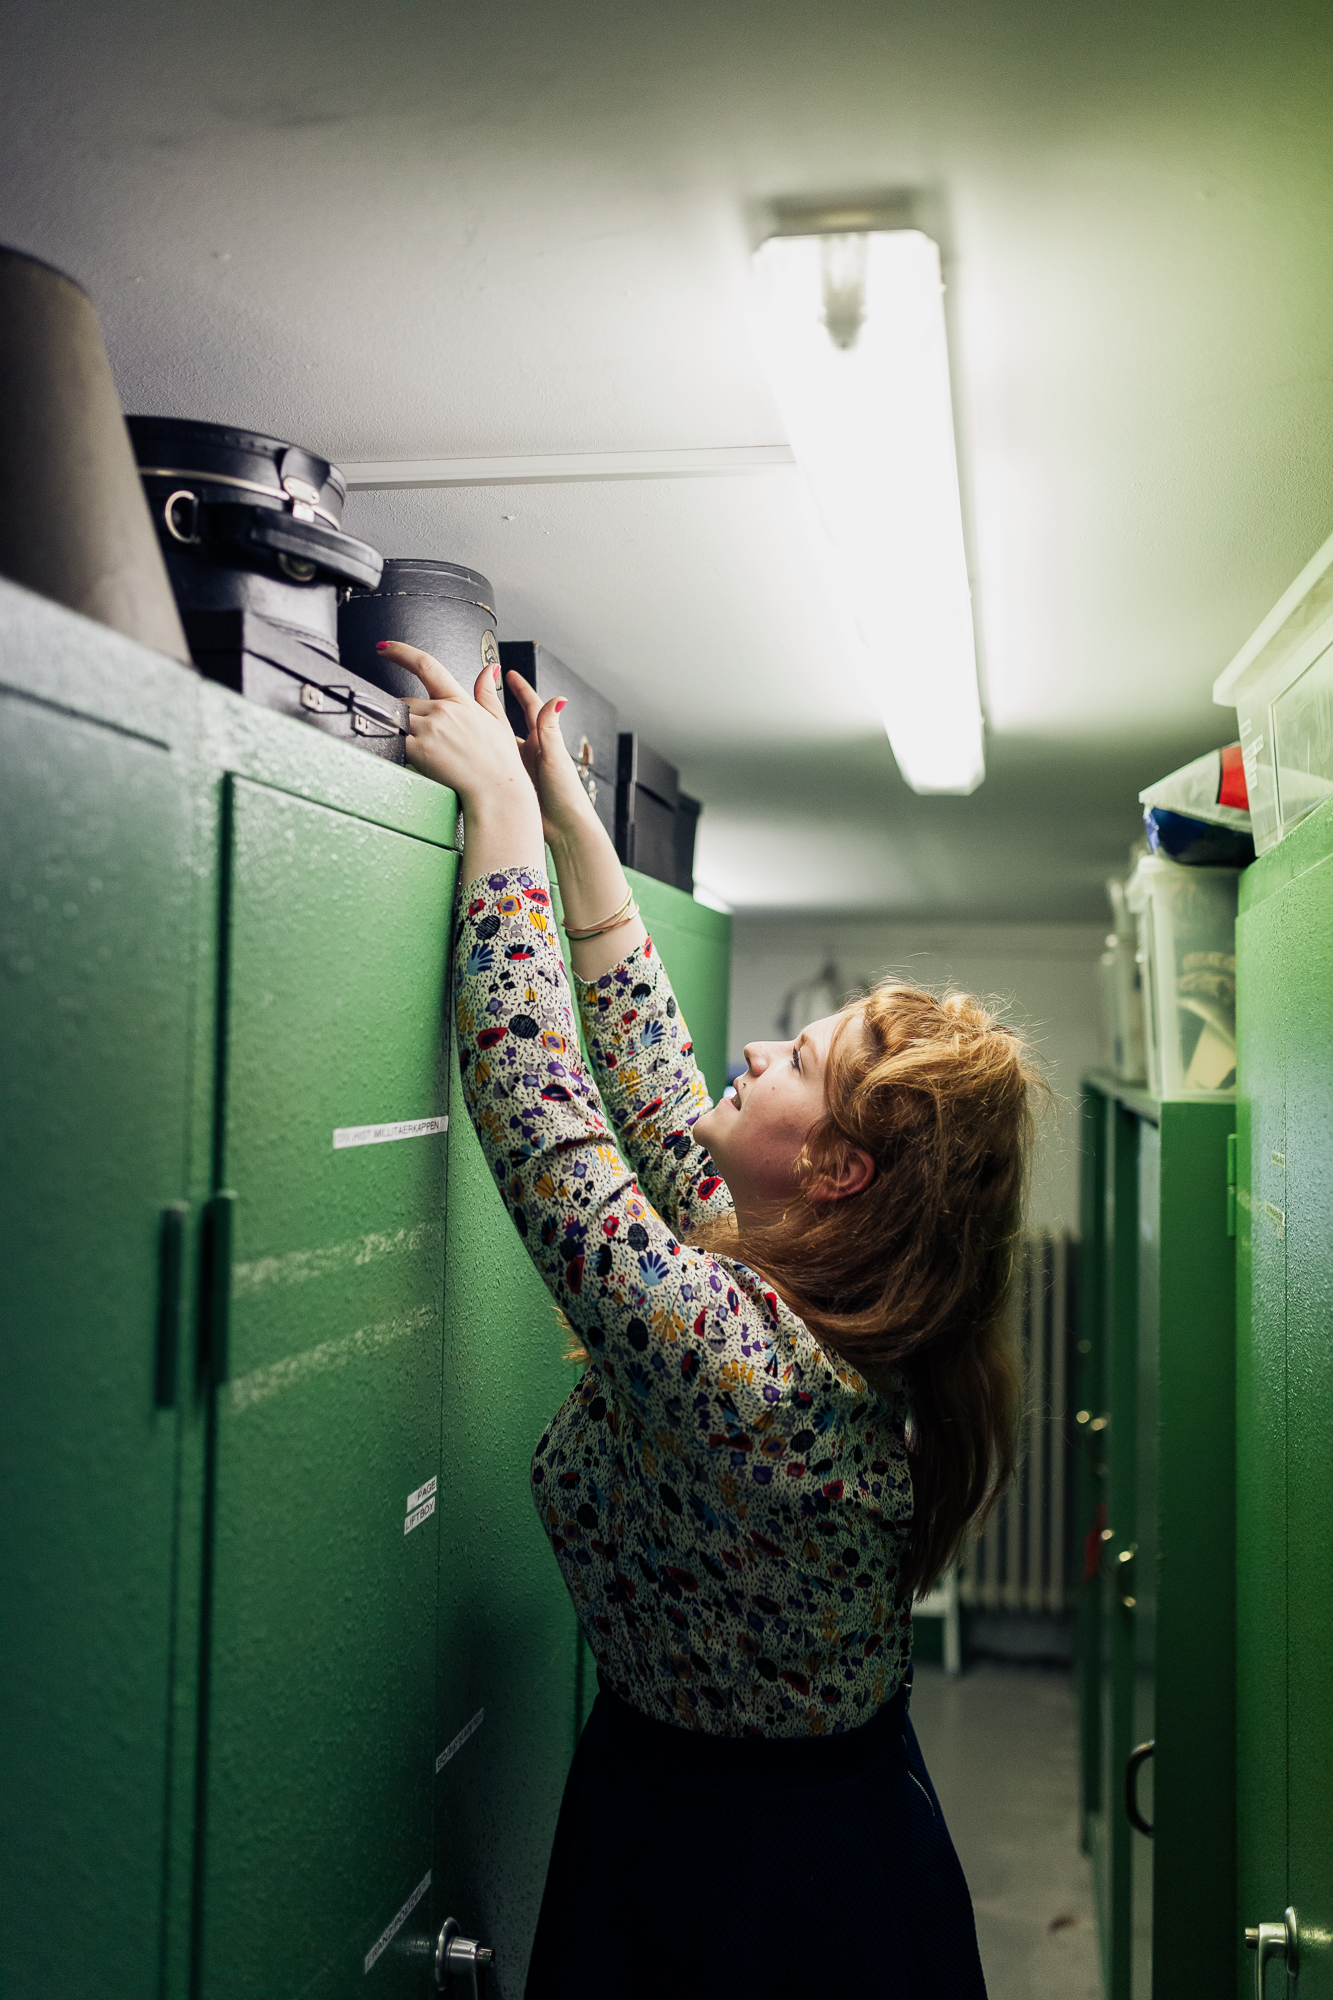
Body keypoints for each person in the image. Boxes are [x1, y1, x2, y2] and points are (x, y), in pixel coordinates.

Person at [381, 637, 1040, 2000]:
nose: (752, 1050)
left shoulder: (754, 1367)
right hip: (730, 1811)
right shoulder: (800, 1288)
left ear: (837, 1171)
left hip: (755, 1881)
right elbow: (649, 1073)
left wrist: (497, 819)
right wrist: (569, 817)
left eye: (795, 1058)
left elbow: (547, 1129)